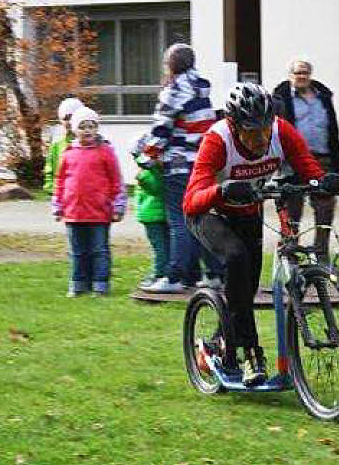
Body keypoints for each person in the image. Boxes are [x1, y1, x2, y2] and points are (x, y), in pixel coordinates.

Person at [183, 83, 339, 386]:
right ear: (234, 125)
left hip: (247, 213)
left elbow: (308, 168)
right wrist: (222, 190)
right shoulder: (218, 140)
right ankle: (251, 354)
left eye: (264, 129)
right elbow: (191, 199)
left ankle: (218, 343)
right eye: (251, 132)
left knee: (246, 288)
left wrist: (324, 182)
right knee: (236, 257)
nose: (260, 138)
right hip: (209, 214)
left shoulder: (282, 132)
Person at [140, 44, 221, 294]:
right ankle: (215, 273)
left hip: (177, 164)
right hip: (202, 163)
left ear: (172, 64)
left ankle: (174, 277)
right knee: (199, 219)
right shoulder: (202, 88)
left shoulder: (175, 90)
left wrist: (146, 158)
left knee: (180, 222)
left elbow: (161, 130)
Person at [272, 58, 339, 262]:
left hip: (323, 159)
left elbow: (333, 131)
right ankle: (289, 255)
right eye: (297, 73)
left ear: (310, 75)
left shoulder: (323, 97)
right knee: (292, 209)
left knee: (325, 209)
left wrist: (338, 165)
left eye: (305, 73)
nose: (301, 77)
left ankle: (321, 257)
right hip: (293, 161)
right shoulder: (281, 99)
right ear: (290, 75)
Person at [52, 107, 126, 297]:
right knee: (77, 251)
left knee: (99, 250)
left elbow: (116, 180)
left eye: (91, 126)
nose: (87, 131)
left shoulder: (105, 152)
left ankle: (100, 284)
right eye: (83, 127)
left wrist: (118, 205)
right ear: (74, 130)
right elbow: (60, 181)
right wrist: (58, 205)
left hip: (99, 212)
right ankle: (78, 283)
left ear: (97, 128)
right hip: (74, 213)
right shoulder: (68, 153)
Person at [131, 134, 169, 289]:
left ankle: (159, 273)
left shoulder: (151, 170)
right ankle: (161, 271)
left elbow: (156, 188)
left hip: (154, 214)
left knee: (159, 247)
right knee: (161, 246)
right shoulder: (153, 167)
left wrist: (142, 179)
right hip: (152, 213)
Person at [43, 97, 83, 196]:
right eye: (66, 118)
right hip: (64, 196)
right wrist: (52, 189)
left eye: (72, 117)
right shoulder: (57, 145)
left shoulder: (91, 144)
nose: (69, 122)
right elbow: (50, 170)